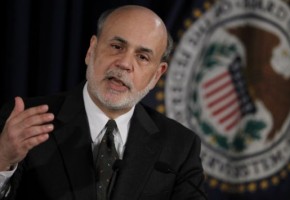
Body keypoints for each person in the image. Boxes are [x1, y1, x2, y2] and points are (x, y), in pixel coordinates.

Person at [0, 5, 206, 200]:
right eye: (117, 46)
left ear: (156, 75)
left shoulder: (179, 146)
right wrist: (3, 159)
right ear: (92, 50)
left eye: (142, 57)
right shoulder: (24, 121)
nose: (124, 64)